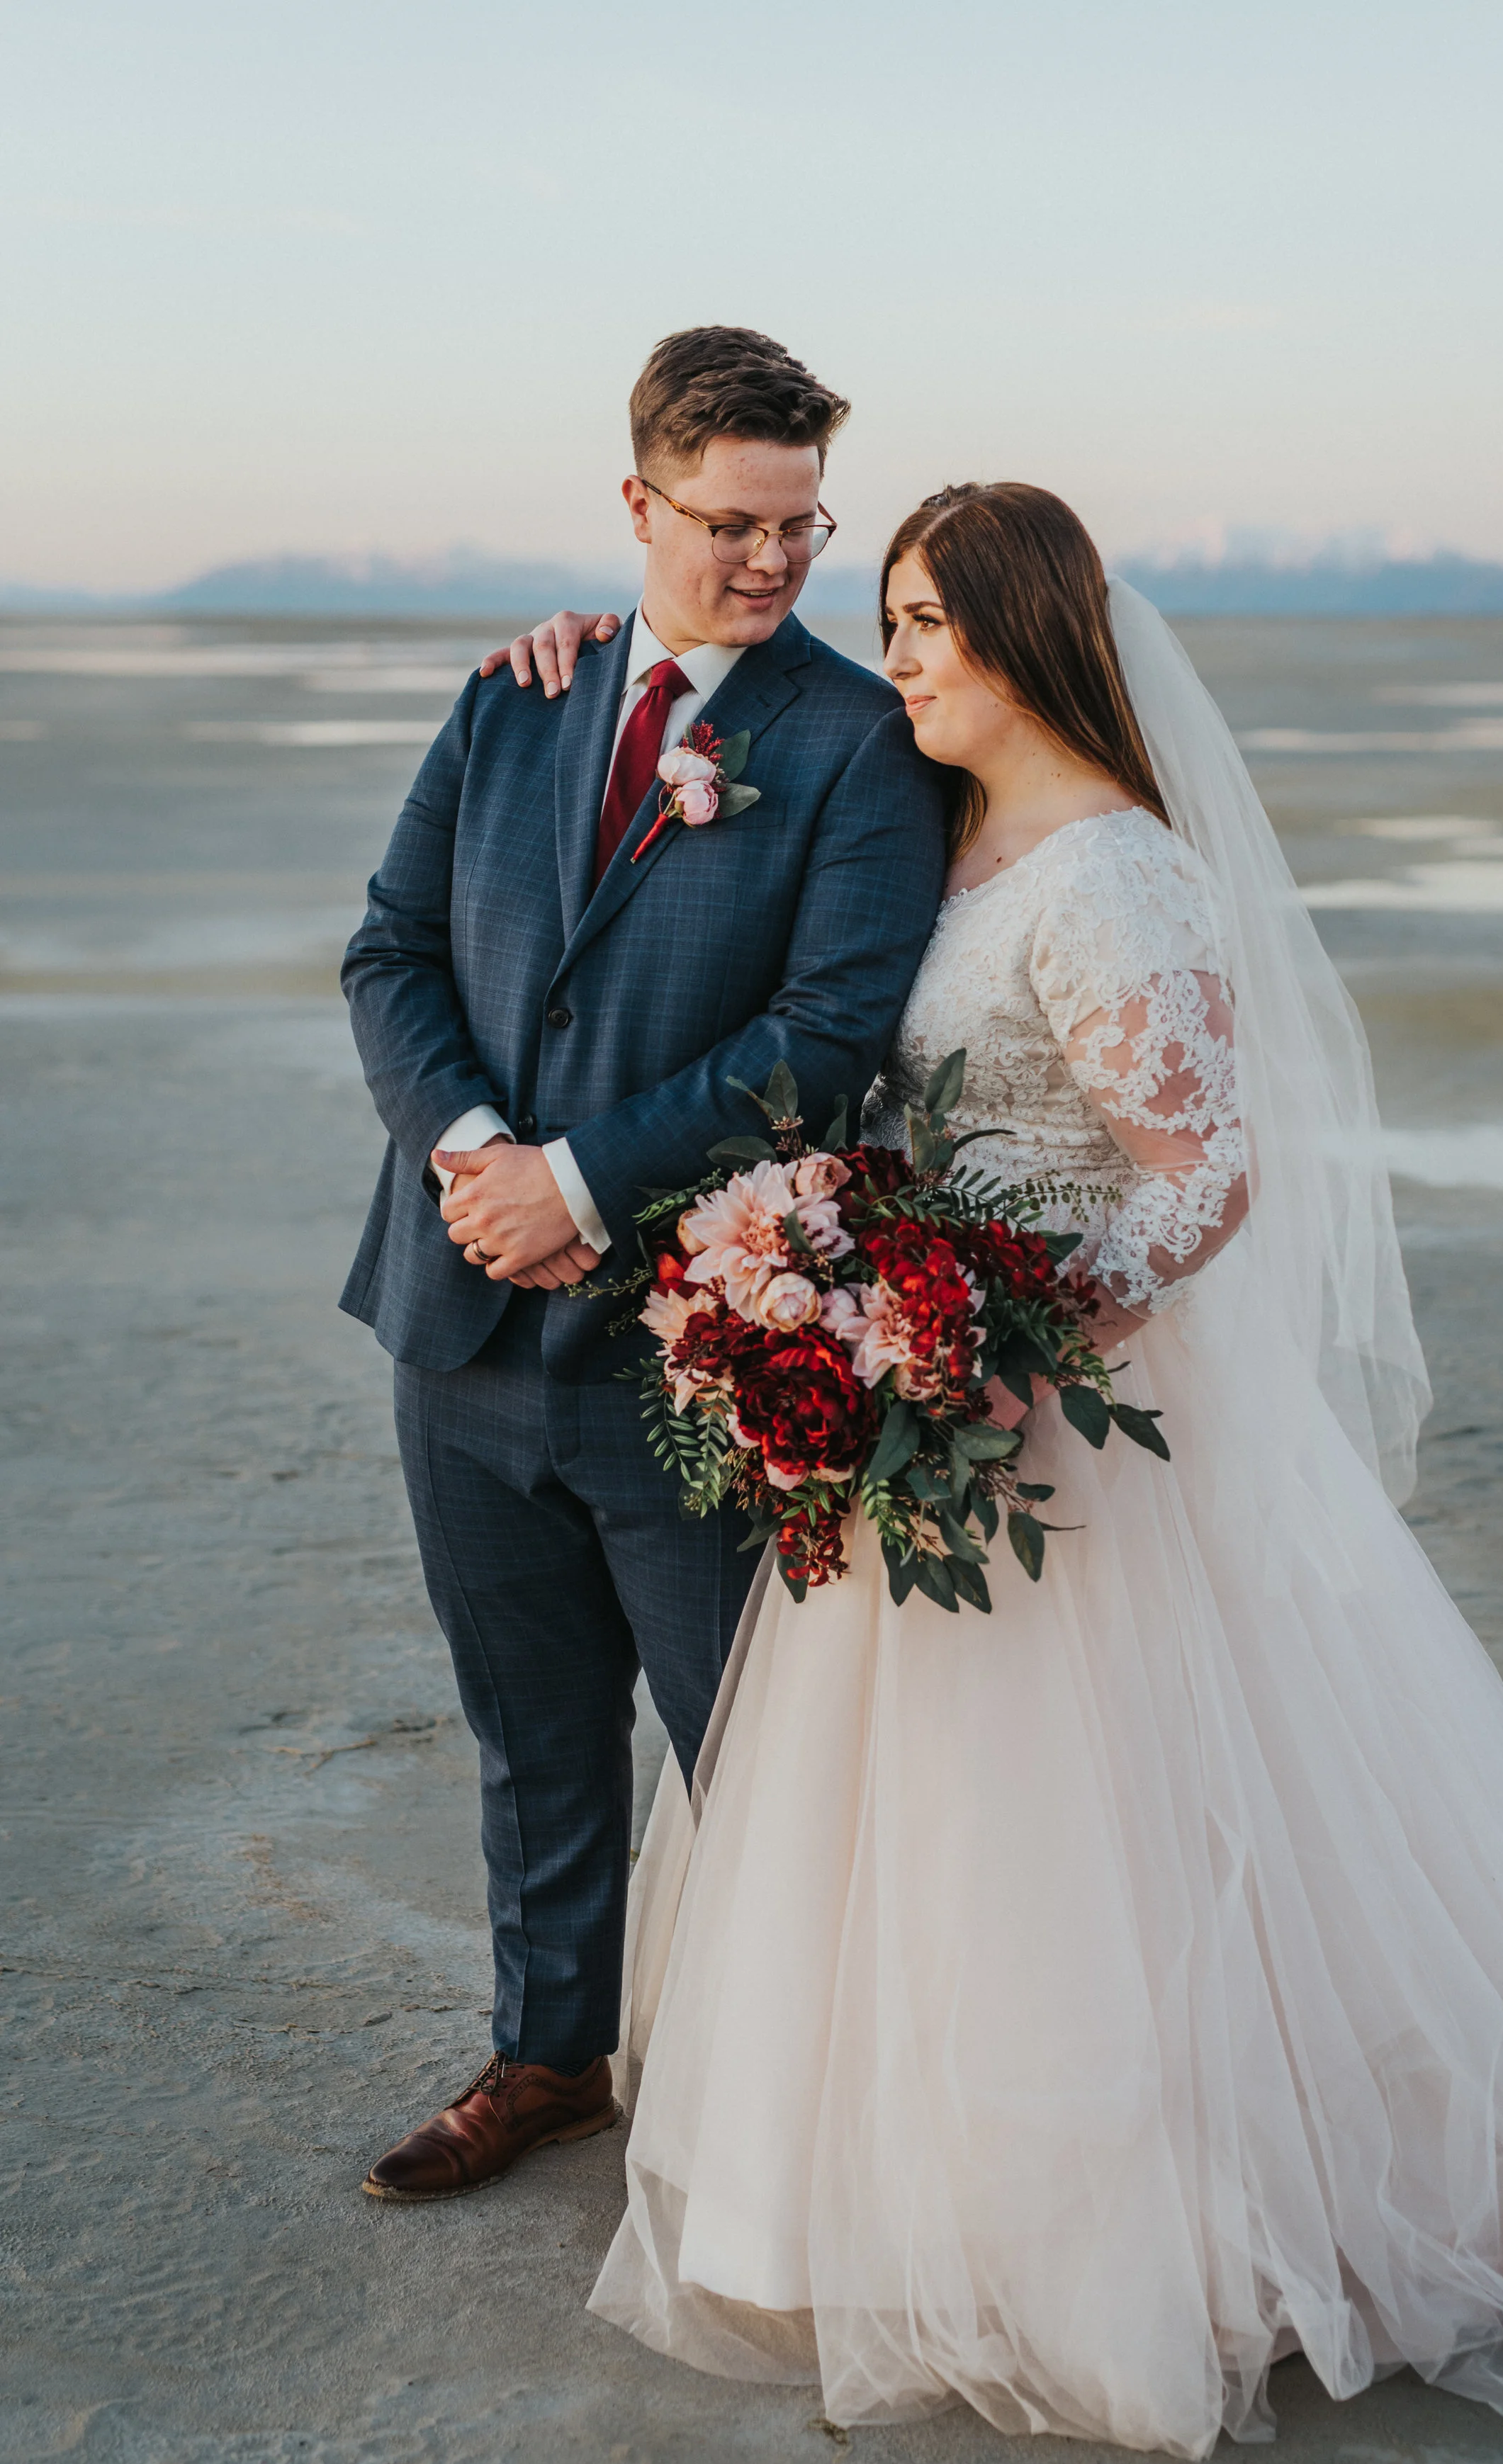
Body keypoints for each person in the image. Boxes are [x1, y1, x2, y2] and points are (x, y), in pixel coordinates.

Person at [529, 483, 1503, 2458]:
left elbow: (1203, 1178)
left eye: (928, 619)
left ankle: (1122, 2221)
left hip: (1051, 1422)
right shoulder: (949, 836)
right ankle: (893, 2191)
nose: (900, 657)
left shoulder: (1109, 874)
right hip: (927, 1398)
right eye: (895, 617)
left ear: (1023, 632)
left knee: (1087, 1826)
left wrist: (979, 1337)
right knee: (933, 1825)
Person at [338, 329, 948, 2203]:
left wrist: (584, 1186)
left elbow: (829, 1030)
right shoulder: (510, 700)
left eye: (801, 524)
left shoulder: (851, 742)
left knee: (742, 1742)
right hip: (455, 1314)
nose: (771, 561)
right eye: (734, 523)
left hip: (696, 1338)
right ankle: (547, 2059)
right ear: (640, 503)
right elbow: (388, 954)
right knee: (524, 1721)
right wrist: (475, 1165)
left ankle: (813, 2099)